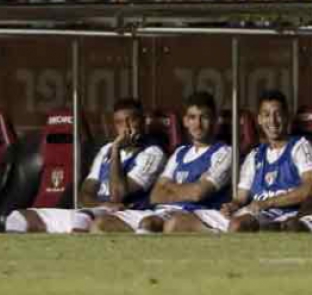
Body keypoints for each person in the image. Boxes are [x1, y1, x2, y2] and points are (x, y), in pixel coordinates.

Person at [5, 98, 166, 234]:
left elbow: (117, 195)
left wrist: (116, 150)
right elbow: (84, 194)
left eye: (131, 120)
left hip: (126, 215)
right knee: (17, 219)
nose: (126, 127)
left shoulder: (152, 153)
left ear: (143, 121)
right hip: (95, 209)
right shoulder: (105, 150)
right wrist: (100, 204)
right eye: (119, 122)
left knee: (80, 219)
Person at [92, 92, 233, 234]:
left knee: (160, 223)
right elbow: (155, 195)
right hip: (162, 211)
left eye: (205, 118)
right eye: (192, 118)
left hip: (197, 213)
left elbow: (198, 194)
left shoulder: (224, 152)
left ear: (214, 121)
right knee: (102, 223)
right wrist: (187, 188)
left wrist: (170, 187)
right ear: (185, 121)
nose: (198, 124)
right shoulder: (180, 152)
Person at [189, 90, 312, 233]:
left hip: (283, 214)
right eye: (267, 115)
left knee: (238, 225)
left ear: (287, 116)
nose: (273, 121)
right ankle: (216, 239)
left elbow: (311, 188)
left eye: (278, 114)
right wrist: (232, 206)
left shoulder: (299, 146)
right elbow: (241, 198)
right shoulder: (255, 156)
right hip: (253, 212)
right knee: (179, 221)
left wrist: (268, 202)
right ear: (259, 119)